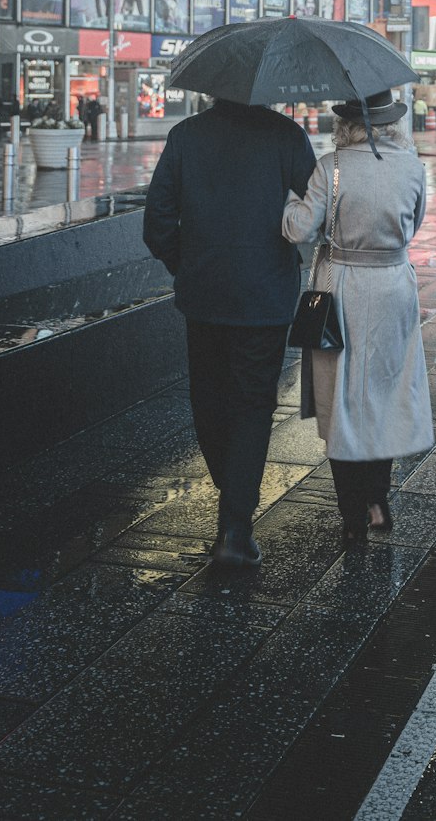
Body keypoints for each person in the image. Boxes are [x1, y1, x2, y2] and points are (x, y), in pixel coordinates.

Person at [144, 98, 316, 566]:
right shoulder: (286, 134)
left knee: (209, 395)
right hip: (265, 294)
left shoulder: (186, 135)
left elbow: (157, 219)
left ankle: (233, 488)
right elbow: (319, 204)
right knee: (253, 402)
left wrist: (186, 264)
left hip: (204, 293)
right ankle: (235, 528)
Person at [282, 88, 433, 545]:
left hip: (342, 290)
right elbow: (415, 222)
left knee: (342, 399)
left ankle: (351, 513)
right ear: (392, 122)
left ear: (345, 124)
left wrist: (288, 199)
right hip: (394, 287)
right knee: (384, 394)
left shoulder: (333, 168)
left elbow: (298, 229)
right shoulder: (413, 167)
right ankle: (377, 500)